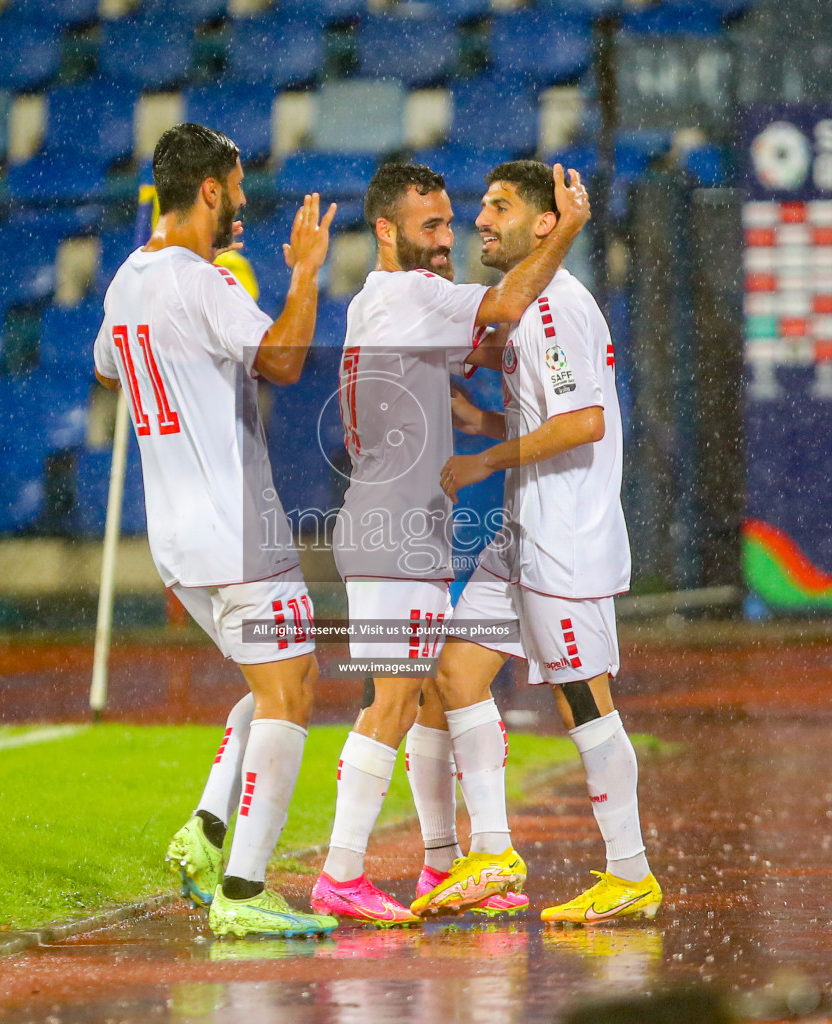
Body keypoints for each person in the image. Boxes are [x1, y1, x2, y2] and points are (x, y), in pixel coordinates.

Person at [309, 161, 591, 925]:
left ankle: (444, 864)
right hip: (393, 529)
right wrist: (566, 229)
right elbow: (504, 303)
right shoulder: (410, 294)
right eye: (428, 226)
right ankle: (340, 874)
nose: (445, 240)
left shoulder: (380, 300)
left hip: (398, 525)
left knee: (431, 689)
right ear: (384, 229)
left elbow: (470, 340)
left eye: (447, 224)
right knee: (393, 701)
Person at [92, 122, 339, 937]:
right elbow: (283, 359)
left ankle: (204, 834)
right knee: (292, 688)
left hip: (177, 536)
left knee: (264, 687)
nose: (243, 205)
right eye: (236, 188)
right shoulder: (201, 284)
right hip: (235, 525)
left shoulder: (128, 280)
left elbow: (105, 361)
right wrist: (304, 274)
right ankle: (243, 891)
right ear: (208, 190)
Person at [413, 160, 661, 924]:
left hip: (562, 542)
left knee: (583, 701)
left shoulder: (553, 307)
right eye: (480, 204)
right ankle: (490, 853)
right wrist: (482, 420)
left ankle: (631, 873)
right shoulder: (530, 305)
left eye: (500, 206)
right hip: (522, 534)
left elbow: (585, 421)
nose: (480, 219)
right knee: (453, 674)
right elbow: (543, 416)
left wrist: (484, 457)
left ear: (545, 223)